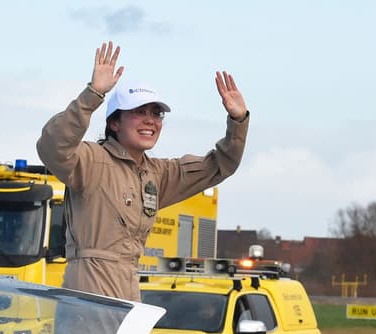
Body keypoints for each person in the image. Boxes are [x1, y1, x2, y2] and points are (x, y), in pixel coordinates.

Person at [37, 41, 250, 303]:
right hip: (87, 293)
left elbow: (220, 165)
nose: (150, 120)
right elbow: (53, 146)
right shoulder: (92, 160)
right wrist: (92, 95)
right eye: (139, 112)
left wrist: (238, 122)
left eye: (156, 113)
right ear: (114, 122)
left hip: (128, 292)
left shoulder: (156, 174)